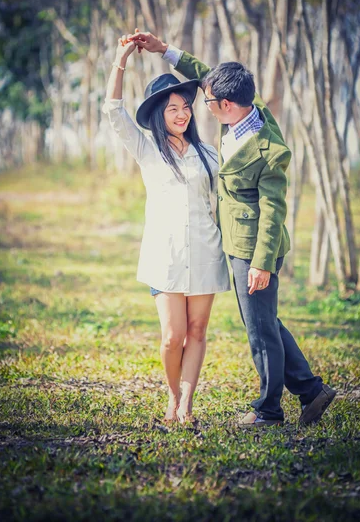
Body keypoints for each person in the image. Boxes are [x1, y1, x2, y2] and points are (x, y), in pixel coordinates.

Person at [128, 30, 336, 427]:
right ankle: (310, 389)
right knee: (265, 322)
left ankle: (270, 410)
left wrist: (260, 263)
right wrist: (164, 50)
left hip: (252, 246)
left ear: (225, 105)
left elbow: (274, 209)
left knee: (260, 328)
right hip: (232, 243)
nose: (198, 108)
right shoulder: (241, 109)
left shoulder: (268, 147)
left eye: (205, 102)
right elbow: (207, 75)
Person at [102, 35, 231, 425]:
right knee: (173, 336)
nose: (182, 114)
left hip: (206, 253)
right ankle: (172, 394)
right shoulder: (146, 150)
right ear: (159, 113)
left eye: (186, 107)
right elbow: (113, 111)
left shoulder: (209, 154)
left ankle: (187, 404)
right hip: (166, 256)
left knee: (198, 331)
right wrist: (122, 58)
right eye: (173, 108)